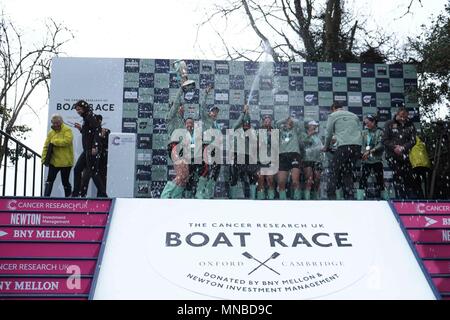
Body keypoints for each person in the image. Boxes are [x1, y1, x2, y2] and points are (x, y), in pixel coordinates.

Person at [323, 103, 362, 200]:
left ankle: (331, 196)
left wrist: (326, 147)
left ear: (333, 109)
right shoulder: (354, 116)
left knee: (333, 171)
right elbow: (359, 132)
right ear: (342, 108)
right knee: (347, 171)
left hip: (344, 147)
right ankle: (349, 196)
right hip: (356, 147)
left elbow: (328, 134)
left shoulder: (333, 115)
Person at [71, 100, 108, 197]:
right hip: (86, 149)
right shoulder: (87, 117)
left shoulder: (89, 116)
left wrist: (95, 146)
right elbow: (89, 133)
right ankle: (76, 193)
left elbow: (97, 130)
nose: (78, 111)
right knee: (78, 169)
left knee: (93, 172)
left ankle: (103, 194)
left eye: (79, 109)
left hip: (91, 149)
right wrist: (81, 129)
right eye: (76, 110)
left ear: (84, 108)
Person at [160, 86, 189, 198]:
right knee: (181, 175)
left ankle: (175, 198)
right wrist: (181, 90)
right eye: (180, 106)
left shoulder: (182, 121)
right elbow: (176, 102)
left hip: (182, 148)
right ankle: (165, 196)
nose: (182, 108)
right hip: (175, 146)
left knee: (185, 176)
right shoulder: (171, 116)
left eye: (183, 106)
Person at [382, 107, 417, 199]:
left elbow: (413, 140)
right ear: (397, 114)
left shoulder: (410, 124)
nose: (403, 119)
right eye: (401, 116)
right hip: (392, 155)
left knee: (409, 177)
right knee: (398, 176)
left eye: (405, 117)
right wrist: (395, 147)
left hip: (405, 155)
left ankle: (410, 200)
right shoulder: (389, 123)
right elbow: (385, 140)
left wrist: (403, 148)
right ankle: (400, 199)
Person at [195, 85, 221, 199]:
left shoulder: (217, 125)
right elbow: (202, 106)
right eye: (213, 111)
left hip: (216, 150)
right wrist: (206, 93)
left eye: (216, 112)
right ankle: (199, 193)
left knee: (215, 171)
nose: (214, 114)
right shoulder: (206, 120)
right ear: (209, 113)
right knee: (205, 168)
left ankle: (208, 193)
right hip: (206, 147)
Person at [229, 104, 258, 199]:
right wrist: (243, 112)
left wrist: (247, 114)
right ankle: (232, 198)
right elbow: (236, 124)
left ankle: (252, 198)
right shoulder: (237, 129)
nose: (246, 124)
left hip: (249, 157)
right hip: (237, 155)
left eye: (248, 122)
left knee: (252, 178)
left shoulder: (253, 132)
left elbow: (255, 144)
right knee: (234, 177)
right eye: (244, 122)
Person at [41, 114, 74, 197]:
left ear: (61, 122)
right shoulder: (50, 133)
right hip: (54, 161)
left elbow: (67, 141)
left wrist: (54, 141)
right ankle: (45, 198)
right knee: (49, 180)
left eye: (57, 123)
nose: (55, 125)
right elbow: (46, 146)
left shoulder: (67, 130)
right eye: (54, 123)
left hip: (66, 162)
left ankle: (69, 199)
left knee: (65, 182)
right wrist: (43, 158)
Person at [79, 114, 110, 197]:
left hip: (101, 159)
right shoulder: (90, 130)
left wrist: (103, 137)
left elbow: (106, 144)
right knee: (86, 177)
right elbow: (87, 139)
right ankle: (82, 194)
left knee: (101, 178)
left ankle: (101, 196)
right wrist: (81, 130)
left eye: (99, 121)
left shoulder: (105, 131)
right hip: (90, 158)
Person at [357, 114, 386, 200]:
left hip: (376, 160)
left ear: (374, 122)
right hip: (366, 160)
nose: (366, 125)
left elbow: (381, 144)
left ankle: (385, 199)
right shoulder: (363, 132)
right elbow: (361, 144)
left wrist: (370, 152)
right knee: (362, 180)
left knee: (380, 180)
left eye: (368, 123)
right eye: (365, 123)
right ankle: (360, 199)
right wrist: (363, 153)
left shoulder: (380, 132)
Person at [275, 116, 305, 200]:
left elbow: (300, 124)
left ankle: (297, 200)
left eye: (290, 123)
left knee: (295, 181)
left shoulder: (296, 130)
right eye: (287, 123)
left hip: (294, 155)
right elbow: (276, 124)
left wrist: (292, 120)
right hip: (282, 155)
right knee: (281, 182)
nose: (288, 124)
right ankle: (282, 202)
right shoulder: (280, 131)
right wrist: (285, 119)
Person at [303, 120, 323, 200]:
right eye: (313, 125)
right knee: (309, 179)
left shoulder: (318, 137)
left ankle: (316, 198)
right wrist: (309, 135)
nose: (315, 127)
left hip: (317, 160)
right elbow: (302, 144)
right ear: (308, 126)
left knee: (317, 179)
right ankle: (307, 199)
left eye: (316, 125)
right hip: (307, 160)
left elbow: (321, 147)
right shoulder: (303, 135)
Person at [257, 115, 276, 200]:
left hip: (270, 159)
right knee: (260, 179)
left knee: (270, 180)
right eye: (266, 121)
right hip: (260, 159)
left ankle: (271, 198)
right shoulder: (258, 131)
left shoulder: (274, 132)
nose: (267, 123)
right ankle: (260, 199)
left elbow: (277, 146)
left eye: (269, 121)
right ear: (263, 122)